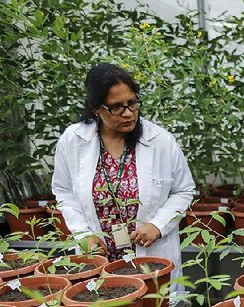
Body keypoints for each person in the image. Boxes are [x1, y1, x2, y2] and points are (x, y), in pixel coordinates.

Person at [52, 63, 195, 282]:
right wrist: (83, 235)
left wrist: (158, 225)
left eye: (132, 103)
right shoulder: (73, 140)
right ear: (95, 108)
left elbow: (183, 190)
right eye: (116, 107)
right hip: (100, 256)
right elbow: (63, 190)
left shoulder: (160, 141)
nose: (128, 113)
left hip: (150, 256)